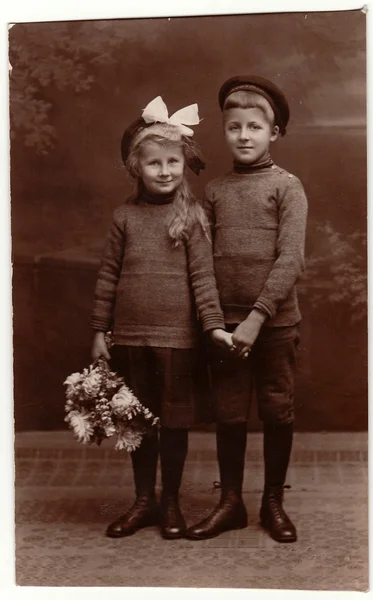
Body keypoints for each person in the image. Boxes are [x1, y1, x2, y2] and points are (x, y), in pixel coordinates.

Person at [90, 96, 232, 540]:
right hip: (131, 336)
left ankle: (170, 501)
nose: (165, 171)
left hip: (177, 338)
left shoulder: (191, 216)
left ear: (185, 164)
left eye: (173, 161)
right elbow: (108, 276)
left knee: (172, 423)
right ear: (137, 167)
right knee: (138, 421)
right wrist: (99, 331)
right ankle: (144, 501)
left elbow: (204, 278)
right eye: (155, 163)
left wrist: (212, 326)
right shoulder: (124, 217)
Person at [185, 75, 308, 543]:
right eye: (234, 127)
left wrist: (257, 317)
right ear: (224, 132)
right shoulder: (215, 190)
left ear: (273, 133)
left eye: (254, 127)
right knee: (229, 411)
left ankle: (272, 502)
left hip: (273, 325)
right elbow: (202, 258)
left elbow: (291, 258)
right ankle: (230, 502)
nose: (244, 136)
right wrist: (215, 323)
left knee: (276, 410)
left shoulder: (287, 188)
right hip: (225, 329)